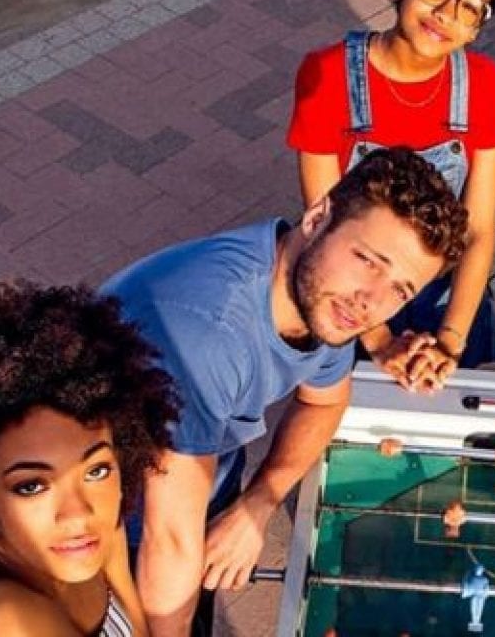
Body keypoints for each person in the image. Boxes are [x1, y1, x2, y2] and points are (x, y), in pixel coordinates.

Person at [101, 147, 468, 636]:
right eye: (367, 261)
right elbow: (168, 541)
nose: (371, 301)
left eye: (401, 290)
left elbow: (324, 401)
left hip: (187, 501)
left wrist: (258, 503)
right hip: (99, 531)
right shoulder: (206, 333)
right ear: (317, 219)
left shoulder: (323, 295)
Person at [289, 0, 495, 391]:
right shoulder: (327, 75)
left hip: (443, 300)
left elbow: (478, 230)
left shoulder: (486, 87)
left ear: (479, 25)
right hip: (349, 295)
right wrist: (379, 341)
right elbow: (324, 221)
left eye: (470, 7)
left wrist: (449, 342)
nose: (446, 13)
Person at [0, 281, 177, 637]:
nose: (78, 513)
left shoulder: (93, 526)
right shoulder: (3, 618)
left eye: (96, 470)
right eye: (31, 486)